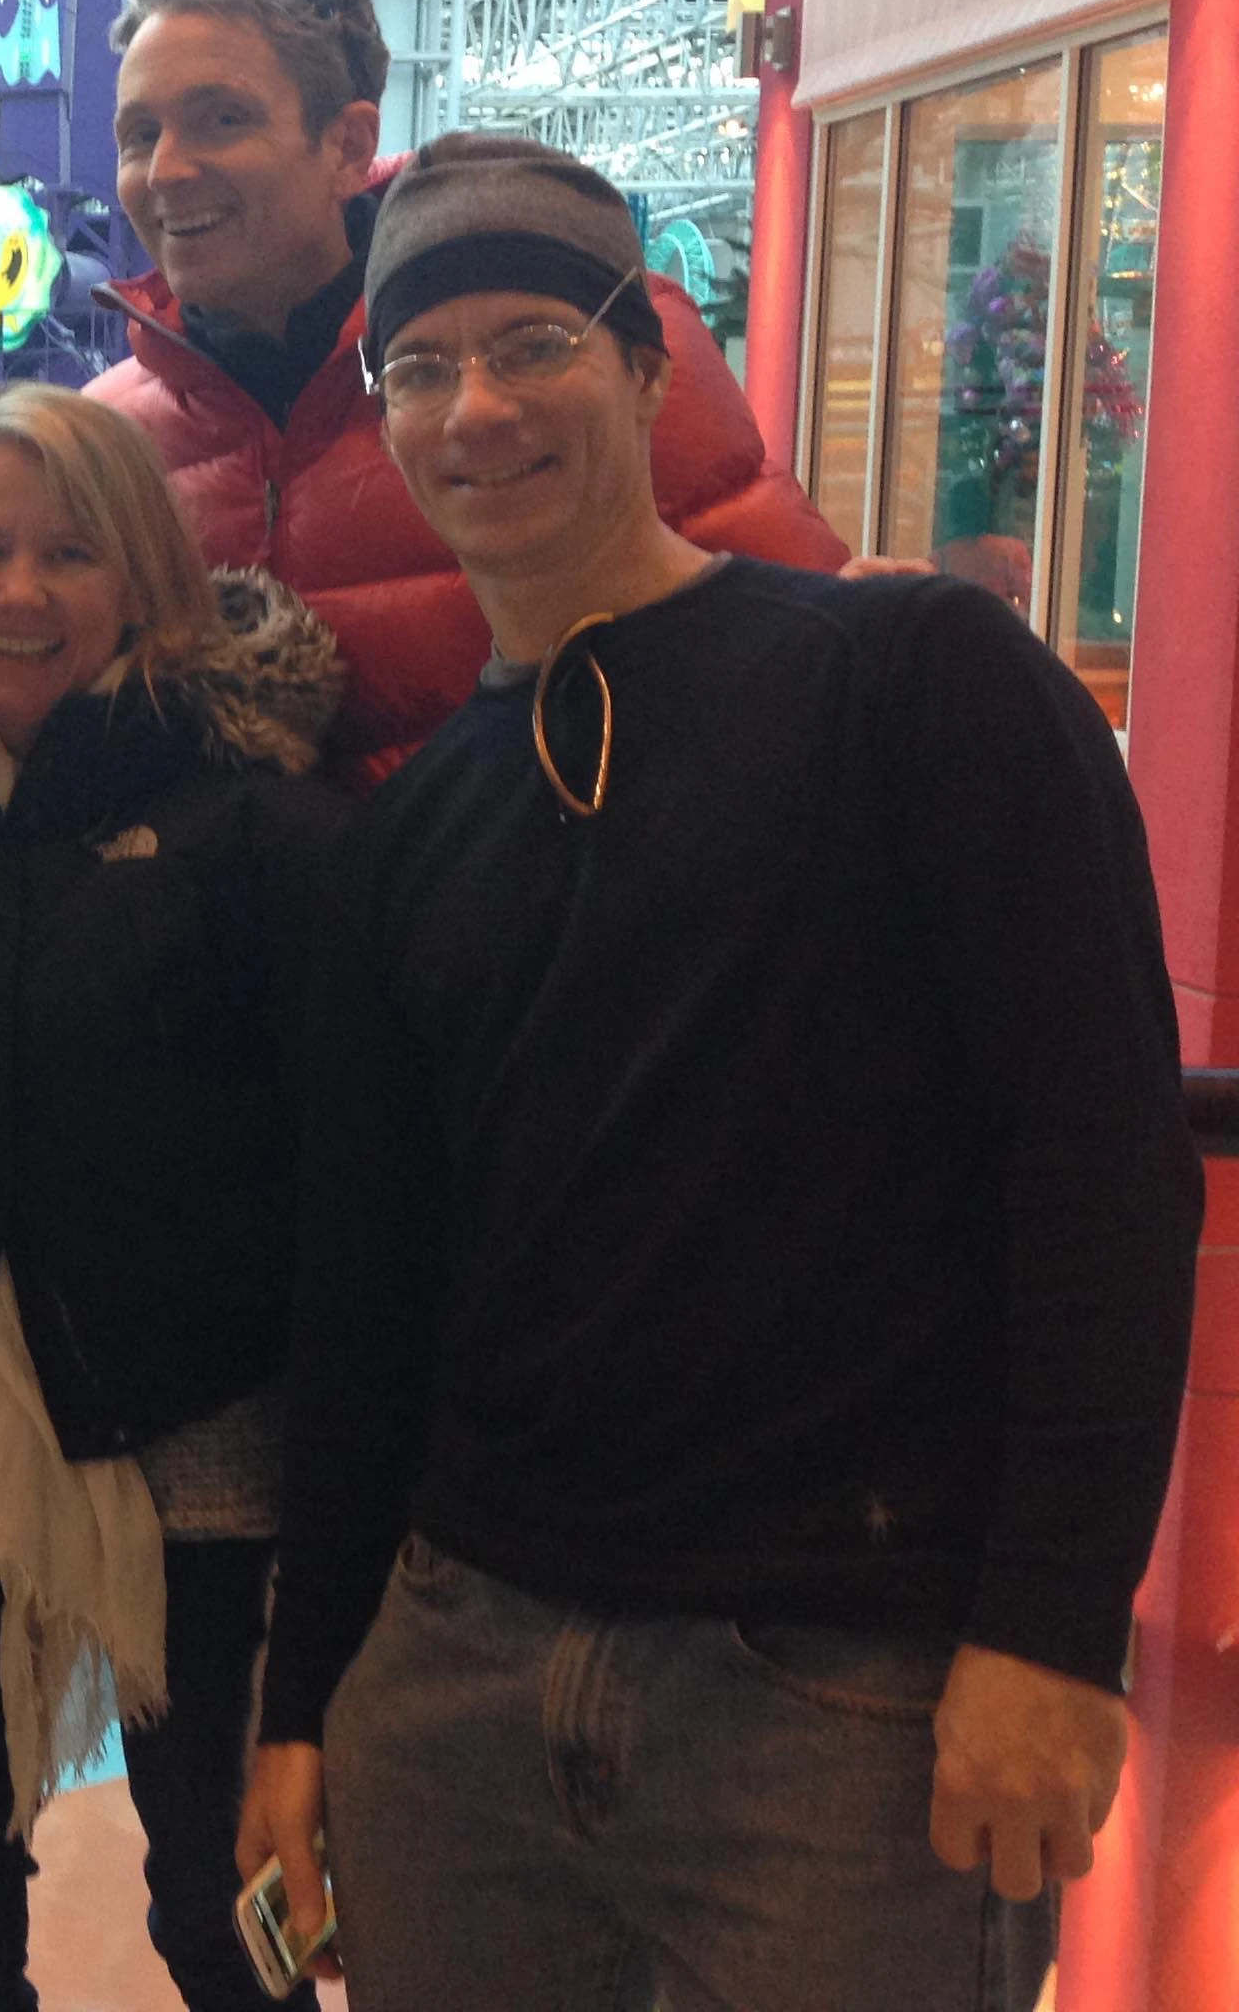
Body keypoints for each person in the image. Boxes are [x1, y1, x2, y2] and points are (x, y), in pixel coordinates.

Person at [231, 134, 1204, 2012]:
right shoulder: (405, 829)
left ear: (646, 364)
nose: (474, 408)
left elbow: (1096, 1174)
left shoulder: (909, 679)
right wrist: (305, 1694)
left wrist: (1050, 1626)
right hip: (456, 1675)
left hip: (836, 1691)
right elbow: (362, 1303)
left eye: (532, 342)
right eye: (416, 369)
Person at [0, 383, 346, 2012]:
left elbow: (353, 1177)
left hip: (211, 1464)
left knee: (220, 1916)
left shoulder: (261, 832)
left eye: (68, 552)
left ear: (143, 578)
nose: (16, 593)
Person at [86, 0, 845, 786]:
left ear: (347, 145)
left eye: (222, 119)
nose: (167, 170)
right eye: (138, 134)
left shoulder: (573, 344)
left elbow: (804, 661)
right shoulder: (111, 440)